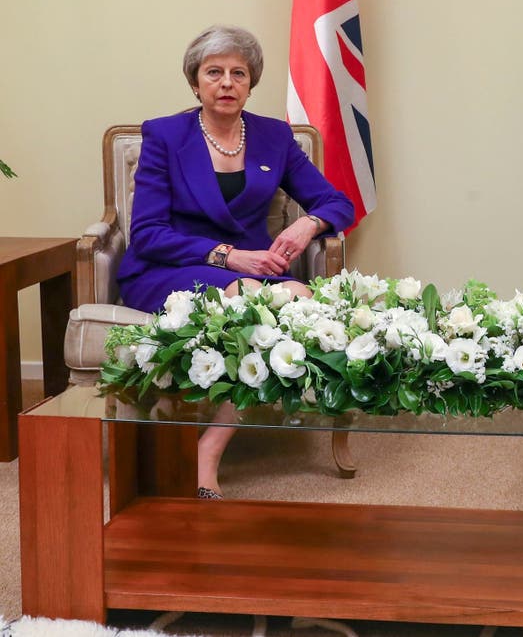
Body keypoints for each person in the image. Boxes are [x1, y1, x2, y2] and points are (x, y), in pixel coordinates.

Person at [117, 25, 355, 499]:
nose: (227, 83)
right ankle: (205, 457)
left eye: (238, 73)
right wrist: (227, 255)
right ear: (195, 82)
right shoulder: (165, 135)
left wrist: (307, 225)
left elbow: (338, 203)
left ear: (251, 83)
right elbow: (147, 233)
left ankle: (211, 445)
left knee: (300, 300)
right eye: (214, 72)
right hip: (170, 268)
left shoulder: (274, 136)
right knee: (254, 302)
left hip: (251, 273)